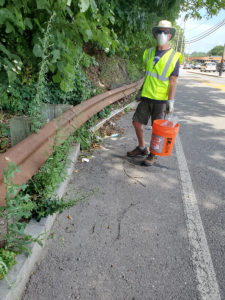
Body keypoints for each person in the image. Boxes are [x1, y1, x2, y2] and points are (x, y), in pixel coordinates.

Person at [127, 20, 183, 166]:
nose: (162, 34)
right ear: (155, 34)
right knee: (136, 122)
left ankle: (153, 154)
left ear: (170, 35)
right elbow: (147, 74)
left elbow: (173, 81)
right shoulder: (149, 53)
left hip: (160, 99)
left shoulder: (174, 56)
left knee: (158, 130)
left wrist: (170, 102)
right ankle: (141, 148)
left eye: (166, 32)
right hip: (146, 96)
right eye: (160, 31)